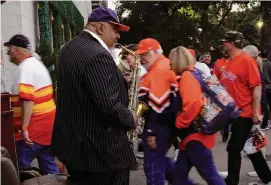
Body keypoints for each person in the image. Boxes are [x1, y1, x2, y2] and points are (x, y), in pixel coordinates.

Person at [51, 7, 137, 185]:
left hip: (75, 150)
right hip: (101, 155)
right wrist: (131, 118)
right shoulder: (98, 54)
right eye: (115, 30)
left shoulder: (68, 48)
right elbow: (110, 107)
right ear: (100, 27)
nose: (118, 36)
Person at [216, 31, 271, 185]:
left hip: (244, 112)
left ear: (232, 43)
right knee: (250, 147)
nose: (222, 44)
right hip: (233, 113)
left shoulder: (246, 60)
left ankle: (231, 181)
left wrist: (254, 111)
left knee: (234, 148)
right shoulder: (229, 61)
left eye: (224, 41)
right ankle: (267, 177)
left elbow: (256, 87)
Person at [169, 46, 225, 185]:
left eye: (171, 61)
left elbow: (193, 103)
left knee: (210, 175)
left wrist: (180, 122)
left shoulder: (187, 77)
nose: (170, 65)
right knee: (178, 177)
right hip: (194, 135)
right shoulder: (195, 72)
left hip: (194, 136)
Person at [4, 34, 59, 174]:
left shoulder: (25, 68)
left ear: (17, 49)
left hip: (32, 133)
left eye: (9, 48)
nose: (7, 52)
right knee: (49, 166)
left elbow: (28, 100)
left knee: (18, 169)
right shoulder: (37, 66)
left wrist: (24, 128)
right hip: (47, 129)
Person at [136, 38, 178, 185]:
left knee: (153, 167)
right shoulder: (162, 65)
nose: (141, 59)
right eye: (140, 55)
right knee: (161, 162)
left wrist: (152, 132)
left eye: (145, 55)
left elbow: (159, 104)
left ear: (155, 52)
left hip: (158, 126)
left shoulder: (158, 70)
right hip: (165, 125)